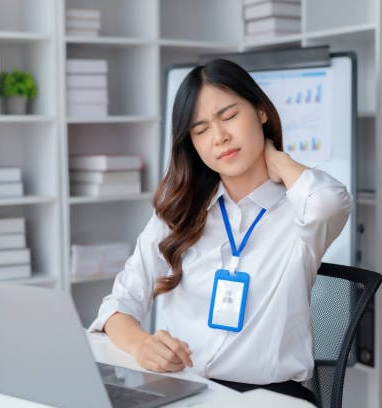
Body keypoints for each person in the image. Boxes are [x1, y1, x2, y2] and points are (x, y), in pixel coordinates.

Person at [89, 58, 353, 403]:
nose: (220, 137)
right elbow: (117, 307)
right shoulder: (178, 213)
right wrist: (143, 345)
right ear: (192, 145)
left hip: (266, 397)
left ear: (260, 111)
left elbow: (330, 202)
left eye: (229, 116)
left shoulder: (301, 211)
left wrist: (279, 160)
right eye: (200, 130)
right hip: (184, 390)